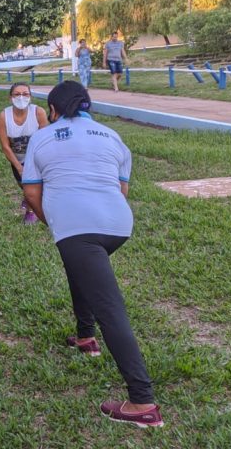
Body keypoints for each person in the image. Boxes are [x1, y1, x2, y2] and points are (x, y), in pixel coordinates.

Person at [21, 81, 162, 428]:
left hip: (77, 227)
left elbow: (31, 192)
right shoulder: (112, 135)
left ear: (53, 110)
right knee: (81, 270)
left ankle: (142, 402)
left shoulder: (42, 136)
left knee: (110, 308)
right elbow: (121, 188)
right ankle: (85, 337)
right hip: (117, 225)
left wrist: (53, 222)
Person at [0, 82, 48, 224]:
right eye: (17, 94)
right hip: (16, 158)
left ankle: (31, 212)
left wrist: (34, 164)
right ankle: (29, 199)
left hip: (36, 159)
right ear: (10, 98)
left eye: (25, 94)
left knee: (31, 187)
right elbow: (5, 146)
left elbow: (45, 141)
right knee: (23, 185)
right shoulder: (3, 116)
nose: (21, 97)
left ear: (30, 96)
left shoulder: (38, 112)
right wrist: (19, 167)